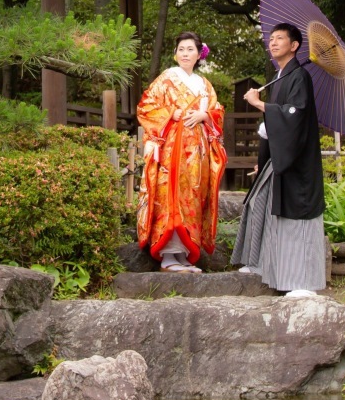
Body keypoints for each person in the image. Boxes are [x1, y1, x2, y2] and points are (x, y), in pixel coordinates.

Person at [232, 22, 326, 297]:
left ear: (294, 45)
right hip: (280, 158)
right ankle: (262, 264)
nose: (272, 43)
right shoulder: (281, 76)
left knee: (296, 220)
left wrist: (260, 104)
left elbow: (293, 116)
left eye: (280, 39)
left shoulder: (300, 77)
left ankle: (302, 282)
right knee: (258, 201)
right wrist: (264, 159)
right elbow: (276, 121)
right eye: (271, 39)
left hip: (298, 164)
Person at [136, 31, 227, 272]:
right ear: (175, 54)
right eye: (181, 49)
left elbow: (218, 111)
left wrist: (205, 115)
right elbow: (146, 106)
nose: (185, 54)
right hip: (171, 149)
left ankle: (185, 252)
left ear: (199, 54)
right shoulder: (166, 79)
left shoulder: (204, 85)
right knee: (171, 196)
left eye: (190, 49)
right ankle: (167, 254)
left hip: (197, 151)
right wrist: (170, 114)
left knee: (194, 197)